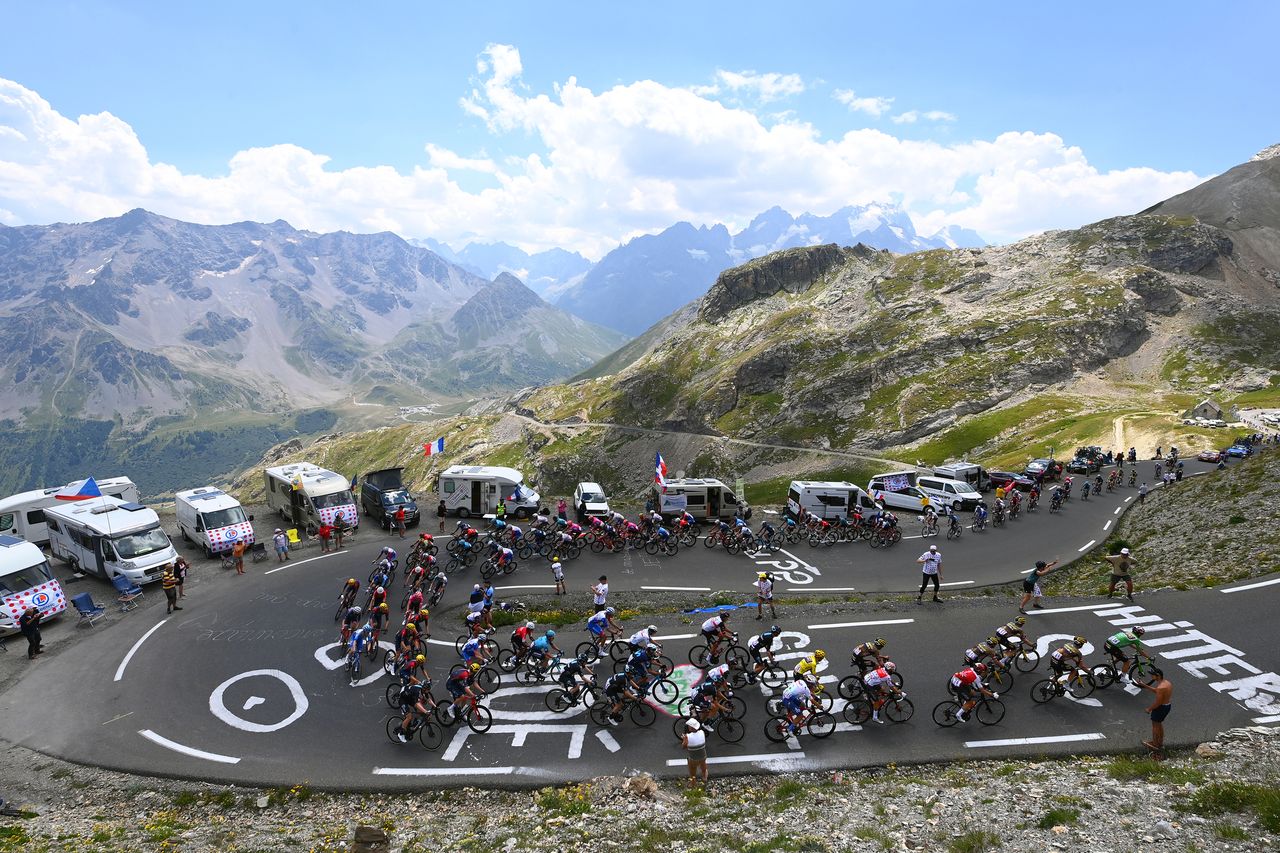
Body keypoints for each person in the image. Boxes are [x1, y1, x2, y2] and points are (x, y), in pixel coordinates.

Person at [1137, 668, 1173, 758]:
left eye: (1153, 675)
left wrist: (1149, 709)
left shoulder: (1161, 687)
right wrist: (1144, 685)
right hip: (1167, 705)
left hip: (1161, 707)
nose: (1151, 676)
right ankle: (1159, 742)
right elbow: (1156, 691)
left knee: (1155, 725)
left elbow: (1158, 702)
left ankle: (1155, 744)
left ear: (1158, 676)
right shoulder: (1166, 683)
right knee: (1159, 724)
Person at [681, 719, 708, 788]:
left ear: (691, 728)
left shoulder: (687, 736)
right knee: (703, 765)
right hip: (703, 755)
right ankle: (704, 777)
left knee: (692, 769)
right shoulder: (702, 732)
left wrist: (684, 739)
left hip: (694, 758)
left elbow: (683, 746)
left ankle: (693, 783)